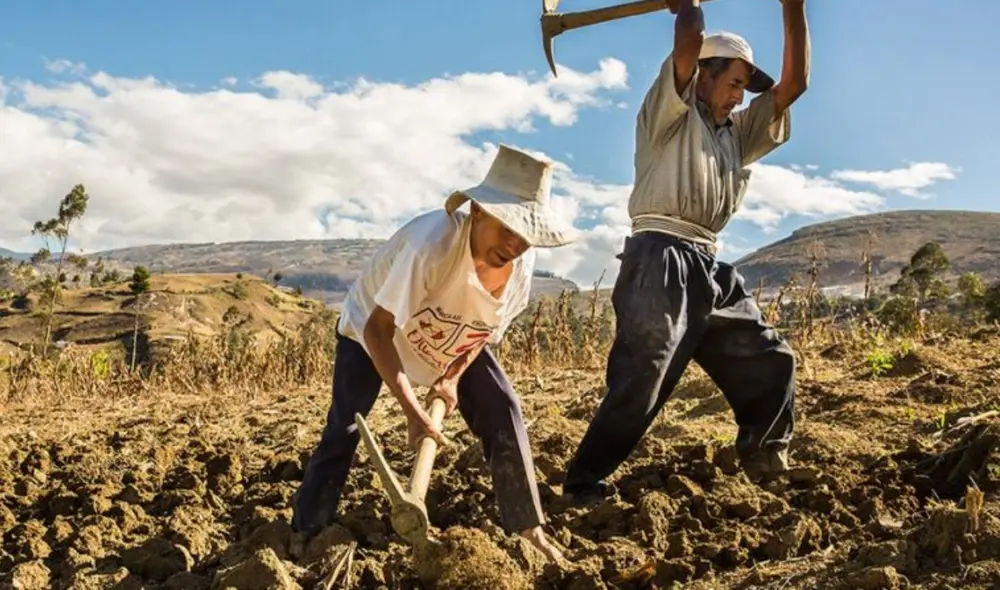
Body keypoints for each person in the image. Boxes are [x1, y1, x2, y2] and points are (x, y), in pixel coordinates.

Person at [562, 0, 811, 502]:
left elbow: (794, 87)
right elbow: (688, 38)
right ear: (703, 74)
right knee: (645, 373)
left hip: (708, 265)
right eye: (734, 83)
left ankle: (763, 457)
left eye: (744, 88)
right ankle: (583, 481)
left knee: (770, 358)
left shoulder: (735, 134)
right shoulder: (669, 114)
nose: (740, 98)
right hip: (659, 256)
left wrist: (793, 6)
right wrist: (690, 6)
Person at [291, 145, 576, 561]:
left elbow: (482, 332)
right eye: (506, 226)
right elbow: (378, 330)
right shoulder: (432, 245)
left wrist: (451, 378)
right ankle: (307, 530)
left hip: (446, 340)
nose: (515, 243)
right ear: (477, 211)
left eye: (526, 235)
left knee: (503, 406)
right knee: (345, 427)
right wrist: (412, 412)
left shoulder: (520, 270)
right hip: (371, 333)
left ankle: (529, 528)